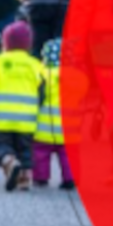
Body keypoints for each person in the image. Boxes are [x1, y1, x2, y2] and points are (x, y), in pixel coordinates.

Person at [0, 21, 44, 192]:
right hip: (27, 120)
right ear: (29, 45)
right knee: (24, 148)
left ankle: (9, 161)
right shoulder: (36, 65)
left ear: (5, 43)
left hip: (0, 119)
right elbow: (42, 92)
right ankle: (25, 177)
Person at [33, 38, 76, 190]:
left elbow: (37, 97)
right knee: (68, 155)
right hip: (70, 130)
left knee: (40, 154)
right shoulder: (77, 75)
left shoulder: (41, 74)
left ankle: (41, 177)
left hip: (43, 129)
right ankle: (70, 179)